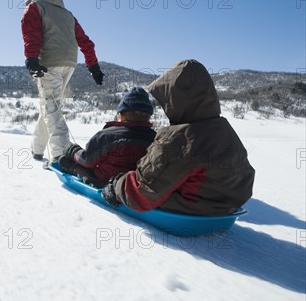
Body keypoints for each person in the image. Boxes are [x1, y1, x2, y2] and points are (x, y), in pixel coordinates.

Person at [102, 59, 255, 215]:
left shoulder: (179, 139)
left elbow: (142, 193)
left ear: (175, 100)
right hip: (226, 208)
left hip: (191, 210)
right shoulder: (224, 130)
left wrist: (117, 185)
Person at [21, 0, 104, 163]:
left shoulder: (34, 7)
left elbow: (31, 34)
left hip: (49, 62)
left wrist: (31, 58)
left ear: (30, 0)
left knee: (51, 108)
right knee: (52, 106)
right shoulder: (67, 14)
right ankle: (37, 149)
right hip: (69, 63)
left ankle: (61, 154)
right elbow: (85, 41)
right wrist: (93, 66)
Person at [58, 87, 156, 187]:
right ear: (148, 117)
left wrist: (73, 150)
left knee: (65, 160)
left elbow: (87, 160)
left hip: (104, 182)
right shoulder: (155, 138)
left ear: (121, 116)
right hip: (136, 185)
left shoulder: (106, 136)